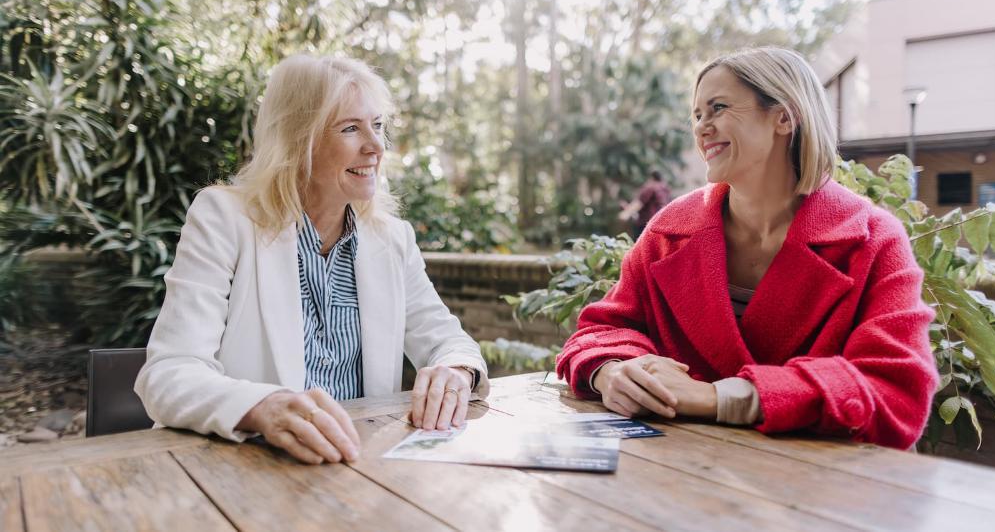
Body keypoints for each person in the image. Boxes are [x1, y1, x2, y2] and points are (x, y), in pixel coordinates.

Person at [556, 47, 937, 450]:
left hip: (821, 492)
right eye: (698, 115)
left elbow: (896, 392)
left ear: (785, 117)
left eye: (718, 108)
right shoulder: (668, 232)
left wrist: (719, 398)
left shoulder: (876, 240)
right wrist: (613, 370)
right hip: (675, 477)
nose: (702, 128)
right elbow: (601, 331)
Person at [135, 54, 489, 465]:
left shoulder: (392, 239)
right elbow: (169, 372)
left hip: (359, 468)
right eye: (350, 128)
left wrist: (455, 371)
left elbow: (449, 341)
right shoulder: (223, 219)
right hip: (242, 468)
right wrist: (262, 406)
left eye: (377, 125)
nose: (376, 146)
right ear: (297, 140)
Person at [618, 170, 672, 237]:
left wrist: (626, 214)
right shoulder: (665, 189)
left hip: (646, 225)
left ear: (651, 178)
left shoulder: (651, 187)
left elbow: (639, 202)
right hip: (661, 225)